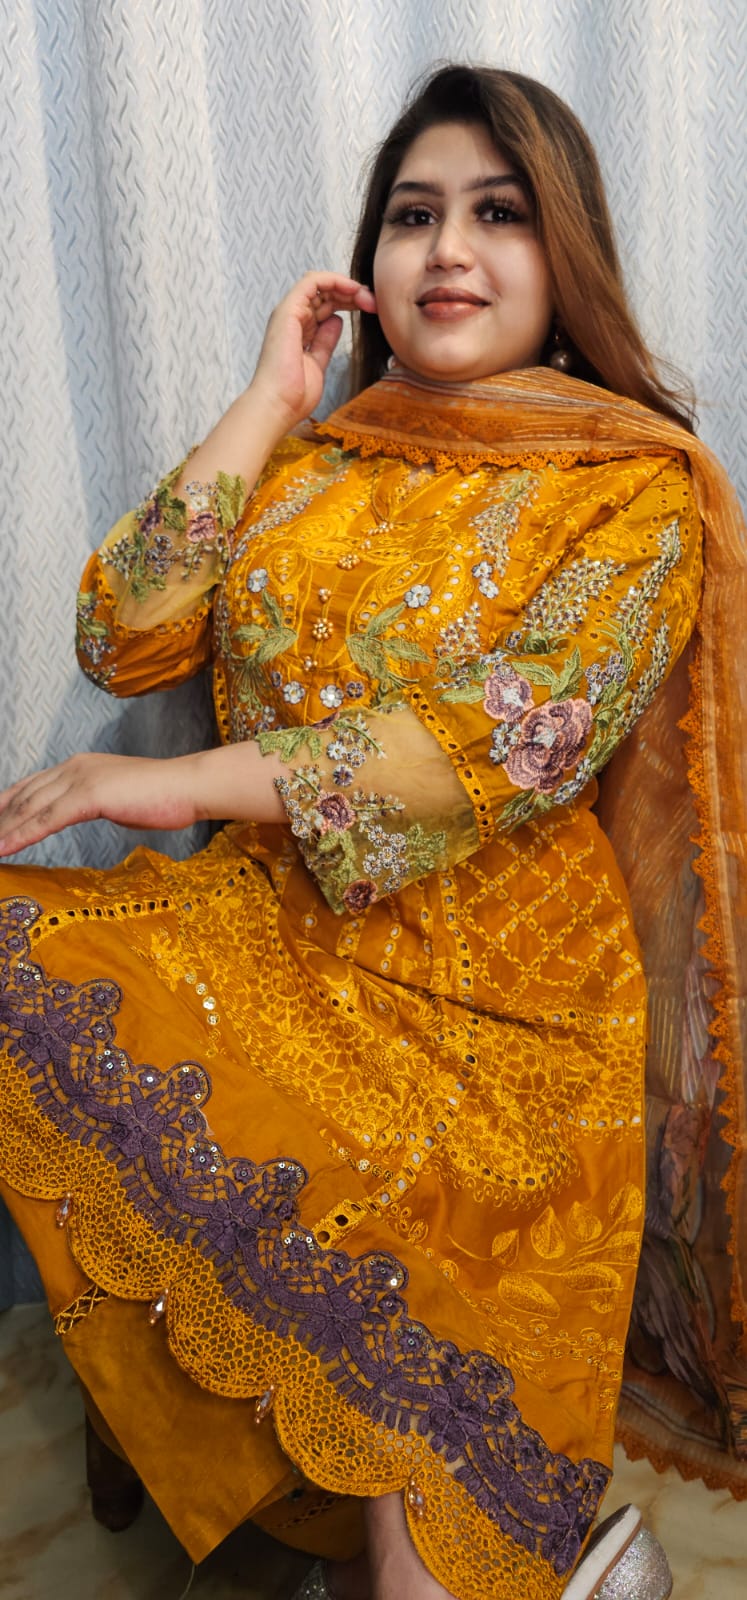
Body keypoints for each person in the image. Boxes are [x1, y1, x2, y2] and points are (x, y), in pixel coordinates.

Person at [0, 62, 744, 1600]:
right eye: (414, 216)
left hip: (501, 1002)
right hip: (279, 935)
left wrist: (176, 785)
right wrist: (271, 400)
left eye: (498, 214)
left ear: (567, 256)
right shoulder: (320, 461)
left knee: (423, 1507)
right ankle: (234, 1449)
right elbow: (123, 632)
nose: (448, 250)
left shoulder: (631, 487)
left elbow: (513, 737)